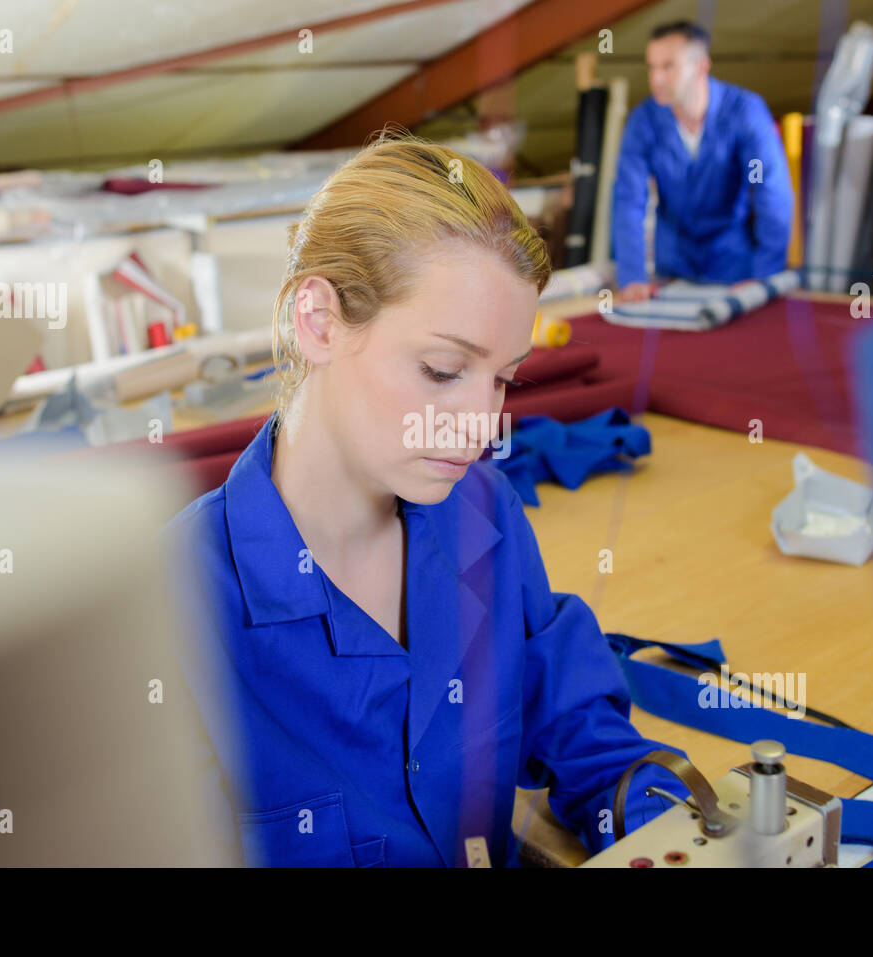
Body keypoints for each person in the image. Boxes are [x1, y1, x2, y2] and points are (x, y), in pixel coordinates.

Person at [163, 133, 693, 868]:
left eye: (504, 378)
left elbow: (576, 725)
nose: (479, 426)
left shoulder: (484, 515)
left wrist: (673, 831)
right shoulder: (168, 610)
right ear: (316, 321)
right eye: (443, 369)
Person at [612, 21, 793, 303]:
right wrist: (633, 276)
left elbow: (769, 191)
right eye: (652, 67)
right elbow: (629, 200)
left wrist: (765, 276)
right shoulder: (642, 122)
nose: (656, 79)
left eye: (668, 66)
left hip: (734, 264)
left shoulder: (746, 113)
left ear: (700, 66)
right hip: (672, 267)